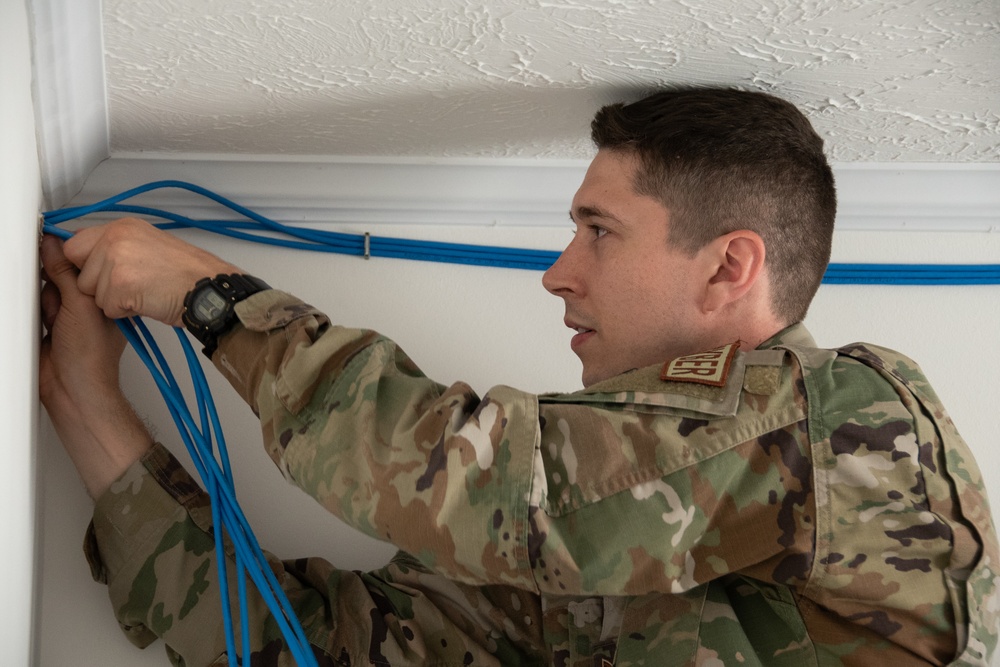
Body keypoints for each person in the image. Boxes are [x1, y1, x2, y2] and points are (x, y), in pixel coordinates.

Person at [40, 87, 999, 666]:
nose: (556, 271)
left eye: (599, 229)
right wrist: (86, 404)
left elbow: (486, 480)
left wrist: (215, 301)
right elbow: (311, 646)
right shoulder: (585, 574)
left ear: (727, 267)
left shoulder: (850, 423)